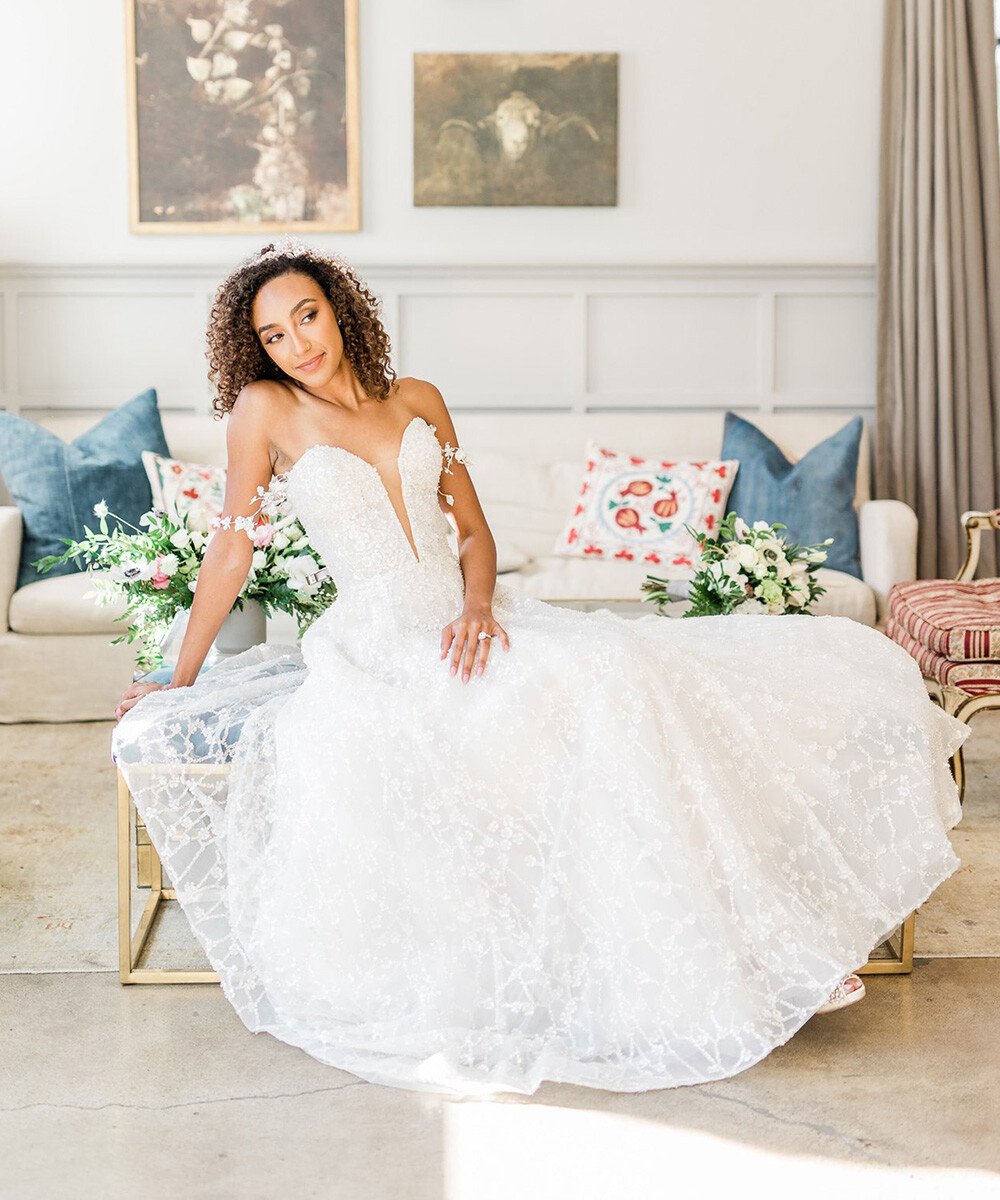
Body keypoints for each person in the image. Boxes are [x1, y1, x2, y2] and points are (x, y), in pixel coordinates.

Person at [112, 238, 968, 1097]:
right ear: (256, 351)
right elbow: (232, 548)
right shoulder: (266, 412)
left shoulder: (418, 399)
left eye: (306, 315)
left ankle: (771, 947)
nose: (298, 343)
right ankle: (739, 960)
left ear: (337, 307)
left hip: (472, 622)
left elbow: (475, 533)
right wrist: (178, 675)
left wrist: (480, 610)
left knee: (622, 680)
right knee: (568, 708)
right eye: (273, 335)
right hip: (377, 648)